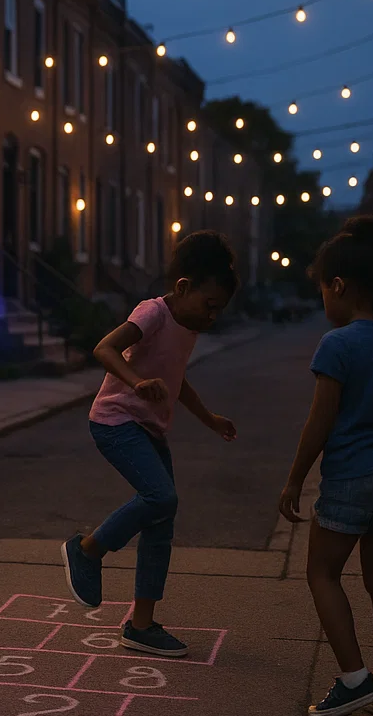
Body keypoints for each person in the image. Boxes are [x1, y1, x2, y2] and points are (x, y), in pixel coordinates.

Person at [60, 231, 240, 657]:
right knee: (160, 496)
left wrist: (209, 417)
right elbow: (104, 349)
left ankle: (141, 625)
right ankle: (87, 550)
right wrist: (137, 382)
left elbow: (178, 379)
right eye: (209, 305)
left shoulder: (188, 324)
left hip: (148, 429)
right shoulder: (153, 313)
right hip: (115, 421)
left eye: (219, 311)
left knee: (162, 520)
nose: (212, 317)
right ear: (183, 287)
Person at [280, 216, 373, 716]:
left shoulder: (337, 345)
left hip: (352, 476)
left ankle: (352, 679)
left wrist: (296, 477)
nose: (324, 302)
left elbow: (319, 423)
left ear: (338, 286)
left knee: (321, 570)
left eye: (323, 291)